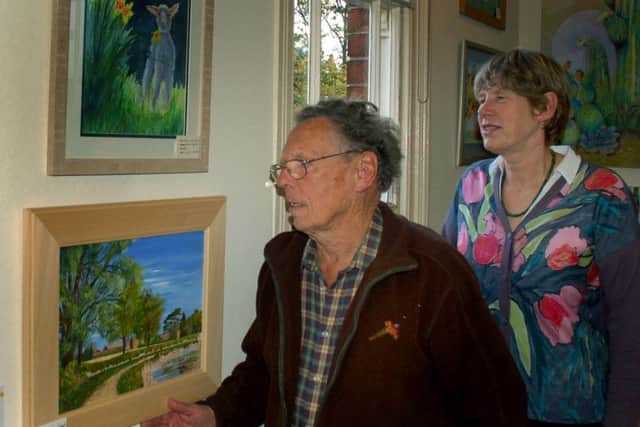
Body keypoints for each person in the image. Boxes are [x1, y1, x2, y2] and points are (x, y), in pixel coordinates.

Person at [143, 99, 527, 427]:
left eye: (301, 165)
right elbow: (262, 372)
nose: (284, 182)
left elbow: (494, 406)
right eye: (282, 169)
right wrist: (214, 414)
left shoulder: (432, 273)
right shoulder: (283, 264)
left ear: (363, 171)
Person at [442, 49, 640, 427]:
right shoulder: (472, 185)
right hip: (479, 403)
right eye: (481, 99)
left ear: (545, 108)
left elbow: (632, 321)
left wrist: (625, 417)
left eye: (500, 97)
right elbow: (445, 286)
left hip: (569, 411)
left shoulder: (602, 193)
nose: (483, 111)